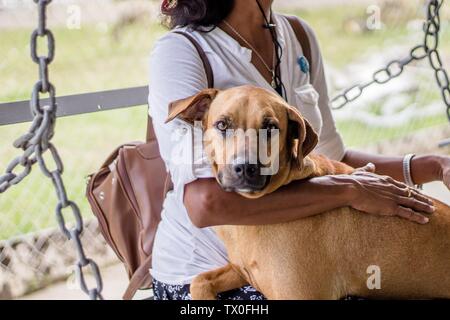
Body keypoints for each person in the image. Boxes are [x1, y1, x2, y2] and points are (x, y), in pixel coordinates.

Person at [148, 0, 450, 300]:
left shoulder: (298, 35)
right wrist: (348, 190)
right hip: (203, 272)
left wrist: (434, 166)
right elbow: (205, 204)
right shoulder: (182, 51)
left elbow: (332, 159)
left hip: (303, 255)